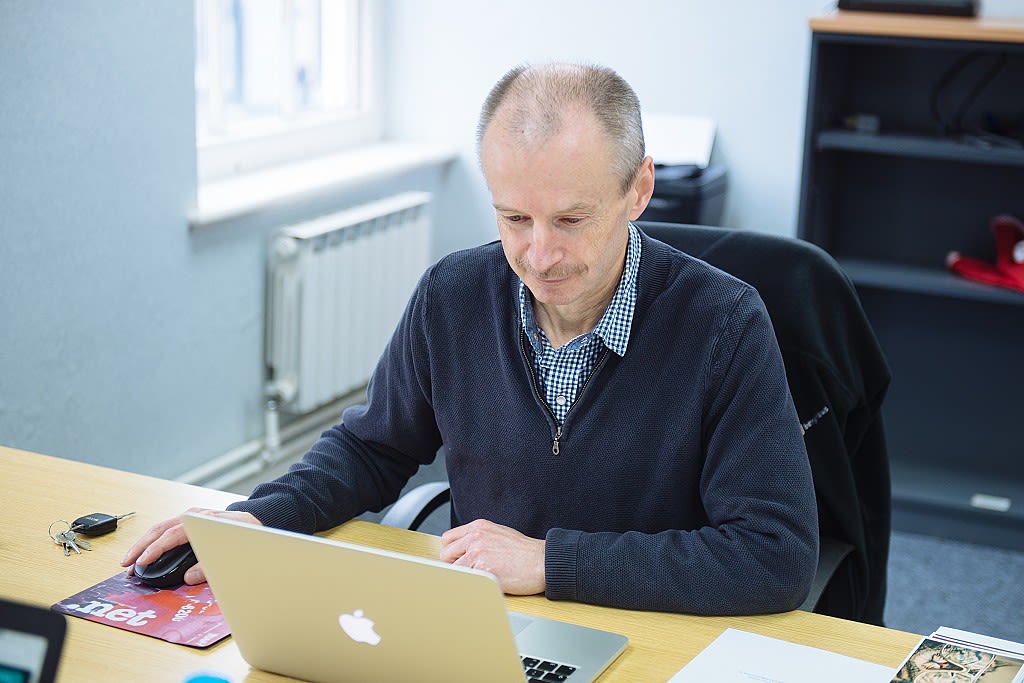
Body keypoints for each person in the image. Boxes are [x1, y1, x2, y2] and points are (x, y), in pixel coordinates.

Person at [124, 62, 818, 616]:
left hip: (650, 632)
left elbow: (773, 554)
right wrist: (261, 517)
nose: (539, 254)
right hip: (489, 629)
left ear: (638, 191)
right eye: (515, 217)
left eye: (571, 219)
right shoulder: (452, 296)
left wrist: (551, 561)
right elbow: (371, 446)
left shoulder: (724, 324)